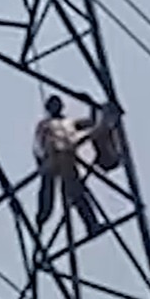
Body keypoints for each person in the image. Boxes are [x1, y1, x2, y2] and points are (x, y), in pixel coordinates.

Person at [33, 95, 102, 236]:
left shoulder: (69, 122)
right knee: (47, 194)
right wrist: (41, 162)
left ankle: (92, 225)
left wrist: (92, 104)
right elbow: (37, 145)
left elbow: (91, 122)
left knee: (76, 192)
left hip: (67, 157)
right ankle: (39, 225)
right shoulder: (44, 124)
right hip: (51, 157)